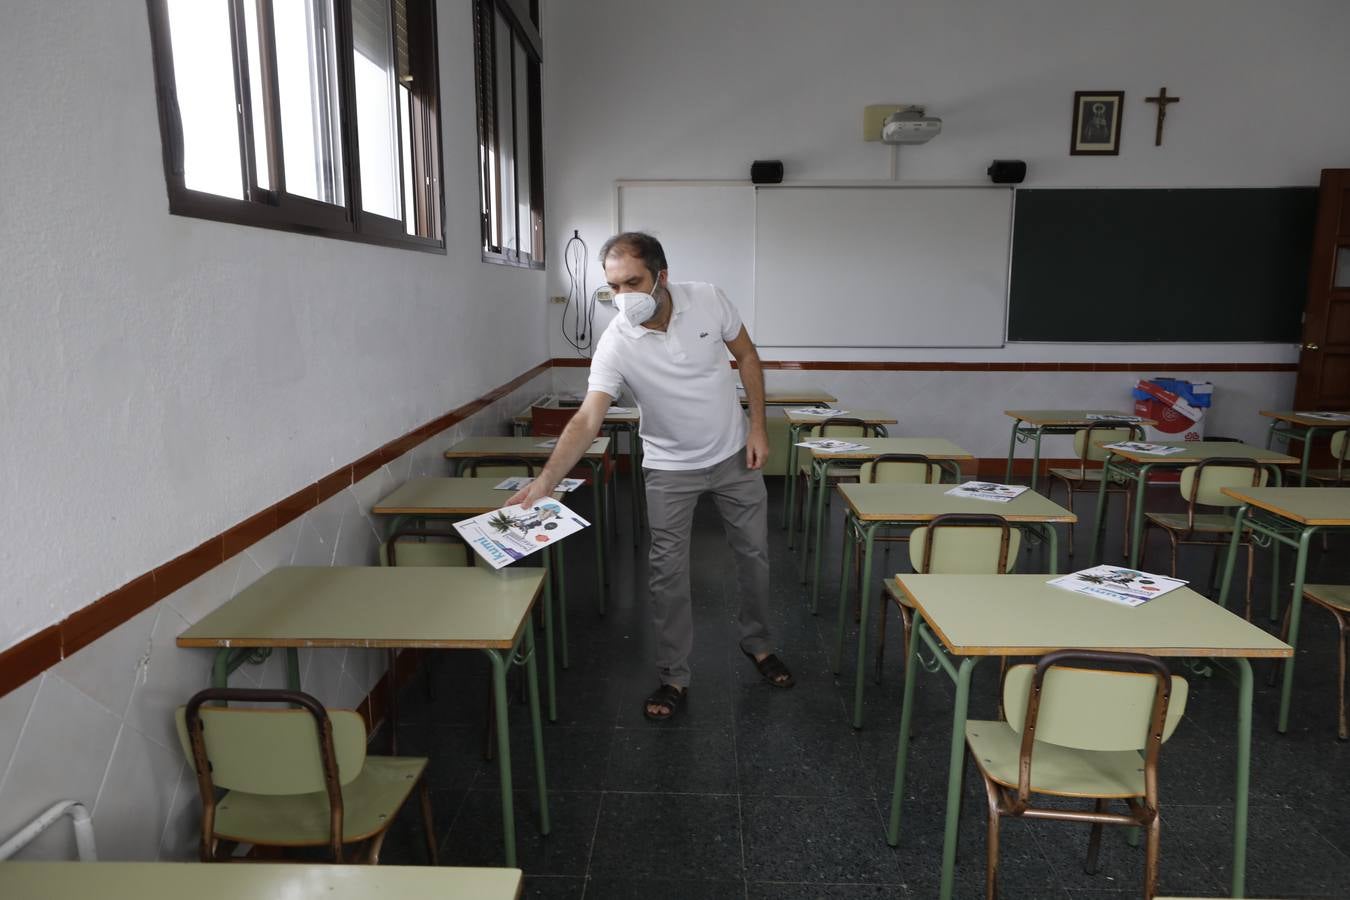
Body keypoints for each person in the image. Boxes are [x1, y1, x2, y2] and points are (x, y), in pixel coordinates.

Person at [508, 232, 793, 720]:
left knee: (755, 557)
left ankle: (759, 644)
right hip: (667, 467)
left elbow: (747, 356)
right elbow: (587, 419)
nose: (624, 297)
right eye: (613, 287)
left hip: (732, 456)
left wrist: (759, 428)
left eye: (632, 282)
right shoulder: (617, 340)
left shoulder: (707, 298)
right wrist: (545, 483)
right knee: (667, 575)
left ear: (661, 275)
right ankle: (674, 677)